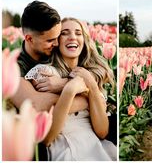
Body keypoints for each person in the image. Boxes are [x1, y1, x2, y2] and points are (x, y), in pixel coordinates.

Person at [24, 17, 117, 161]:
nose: (72, 37)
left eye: (78, 33)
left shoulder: (89, 76)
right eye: (65, 33)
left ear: (84, 40)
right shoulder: (43, 73)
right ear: (57, 41)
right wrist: (69, 89)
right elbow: (48, 139)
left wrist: (91, 85)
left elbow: (102, 132)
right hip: (66, 149)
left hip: (96, 146)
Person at [10, 1, 91, 160]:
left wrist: (63, 83)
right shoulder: (14, 67)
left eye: (57, 36)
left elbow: (90, 75)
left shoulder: (57, 53)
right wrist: (87, 98)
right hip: (42, 143)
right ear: (29, 38)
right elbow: (36, 106)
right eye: (50, 40)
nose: (56, 43)